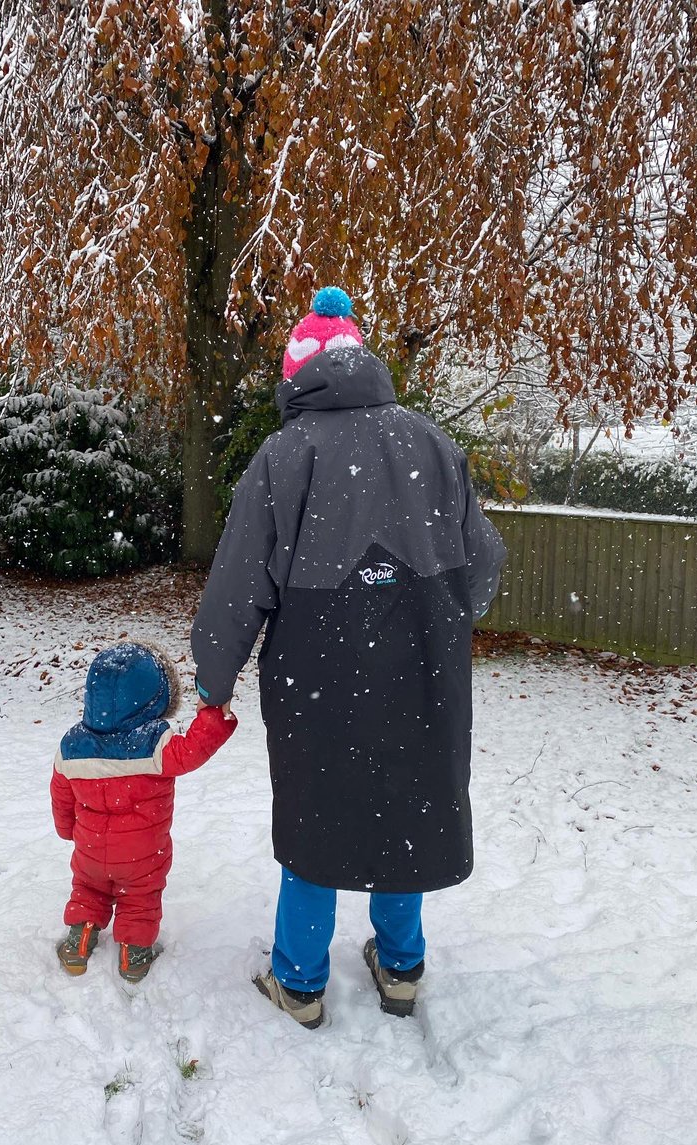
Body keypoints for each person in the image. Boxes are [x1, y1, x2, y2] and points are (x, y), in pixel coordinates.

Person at [191, 287, 506, 1028]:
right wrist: (434, 608)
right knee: (408, 804)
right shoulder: (431, 443)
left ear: (298, 375)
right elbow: (483, 565)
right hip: (421, 666)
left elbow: (239, 581)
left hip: (318, 671)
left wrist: (214, 677)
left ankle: (299, 981)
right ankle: (400, 969)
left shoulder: (285, 456)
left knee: (316, 811)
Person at [51, 642, 237, 981]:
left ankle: (79, 941)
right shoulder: (153, 744)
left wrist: (67, 830)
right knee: (139, 899)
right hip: (142, 855)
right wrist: (214, 715)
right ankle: (133, 954)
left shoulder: (71, 745)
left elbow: (61, 796)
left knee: (88, 890)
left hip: (90, 850)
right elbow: (192, 750)